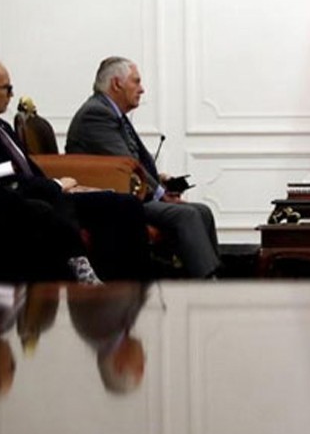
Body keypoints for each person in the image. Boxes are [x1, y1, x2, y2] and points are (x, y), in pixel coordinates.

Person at [0, 54, 150, 282]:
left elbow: (28, 166)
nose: (11, 95)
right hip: (21, 203)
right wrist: (56, 185)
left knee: (124, 205)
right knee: (53, 209)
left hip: (43, 191)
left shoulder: (0, 125)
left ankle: (132, 289)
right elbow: (4, 180)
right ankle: (85, 272)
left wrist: (63, 186)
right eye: (7, 88)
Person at [66, 57, 221, 278]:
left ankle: (204, 278)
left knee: (202, 211)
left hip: (131, 192)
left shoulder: (112, 113)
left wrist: (161, 181)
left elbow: (130, 162)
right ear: (117, 84)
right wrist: (160, 194)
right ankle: (207, 284)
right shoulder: (96, 114)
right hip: (114, 200)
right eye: (136, 81)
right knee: (187, 215)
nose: (142, 89)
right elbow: (126, 163)